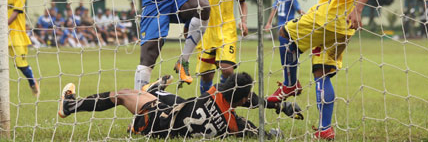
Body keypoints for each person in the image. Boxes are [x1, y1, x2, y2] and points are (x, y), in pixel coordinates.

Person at [266, 0, 378, 140]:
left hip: (329, 18)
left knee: (285, 34)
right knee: (322, 73)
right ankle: (325, 128)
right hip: (342, 28)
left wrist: (358, 9)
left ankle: (289, 85)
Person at [58, 72, 302, 139]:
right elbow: (261, 130)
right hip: (165, 123)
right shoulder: (235, 125)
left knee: (122, 94)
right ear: (239, 100)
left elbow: (247, 98)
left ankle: (70, 106)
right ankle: (154, 91)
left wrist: (278, 106)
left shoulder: (213, 93)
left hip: (154, 120)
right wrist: (279, 112)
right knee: (172, 100)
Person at [189, 0, 248, 94]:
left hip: (226, 30)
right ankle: (206, 101)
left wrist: (243, 21)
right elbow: (189, 5)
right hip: (205, 32)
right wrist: (187, 25)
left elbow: (242, 2)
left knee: (227, 69)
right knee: (207, 75)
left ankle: (222, 95)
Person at [7, 0, 40, 96]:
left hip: (16, 35)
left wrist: (3, 25)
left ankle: (32, 82)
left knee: (20, 64)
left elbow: (16, 12)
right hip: (2, 34)